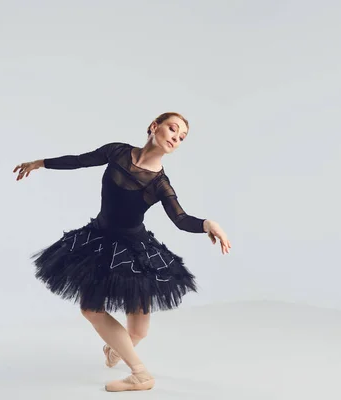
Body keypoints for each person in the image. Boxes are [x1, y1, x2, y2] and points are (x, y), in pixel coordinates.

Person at [13, 112, 231, 392]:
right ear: (154, 127)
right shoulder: (117, 152)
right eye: (172, 129)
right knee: (91, 309)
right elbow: (81, 160)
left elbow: (181, 219)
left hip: (134, 250)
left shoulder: (159, 184)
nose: (176, 138)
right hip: (98, 240)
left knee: (139, 331)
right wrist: (40, 163)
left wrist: (207, 224)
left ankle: (117, 350)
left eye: (181, 137)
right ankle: (140, 373)